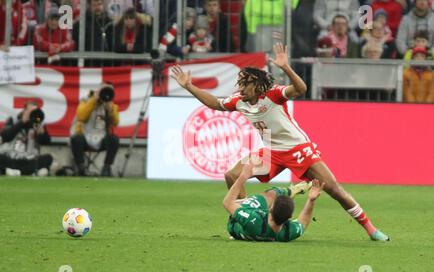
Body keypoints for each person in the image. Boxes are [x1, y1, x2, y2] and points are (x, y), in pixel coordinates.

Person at [171, 42, 390, 241]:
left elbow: (301, 89)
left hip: (298, 149)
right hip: (271, 152)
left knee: (333, 188)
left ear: (256, 85)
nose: (239, 88)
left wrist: (285, 67)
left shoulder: (273, 94)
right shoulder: (239, 101)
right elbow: (216, 104)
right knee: (232, 175)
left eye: (244, 84)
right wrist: (189, 86)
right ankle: (247, 216)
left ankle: (371, 229)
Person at [224, 161, 322, 242]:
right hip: (258, 227)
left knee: (271, 194)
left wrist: (243, 176)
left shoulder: (254, 219)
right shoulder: (287, 233)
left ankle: (290, 191)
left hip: (235, 226)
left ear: (270, 209)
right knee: (270, 196)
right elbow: (303, 222)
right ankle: (293, 190)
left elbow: (228, 203)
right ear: (289, 218)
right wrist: (311, 200)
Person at [70, 83, 120, 177]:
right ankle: (81, 168)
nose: (106, 94)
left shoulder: (112, 106)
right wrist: (94, 100)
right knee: (75, 138)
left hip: (102, 138)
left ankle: (107, 167)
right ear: (98, 90)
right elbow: (81, 117)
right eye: (104, 90)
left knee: (114, 139)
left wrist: (110, 111)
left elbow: (116, 123)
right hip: (85, 137)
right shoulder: (86, 101)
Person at [0, 101, 53, 176]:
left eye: (34, 112)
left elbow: (46, 141)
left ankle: (16, 171)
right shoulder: (13, 120)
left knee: (48, 158)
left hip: (29, 158)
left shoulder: (37, 122)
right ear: (24, 110)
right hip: (13, 157)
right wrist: (22, 121)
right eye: (30, 111)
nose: (32, 114)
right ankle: (33, 171)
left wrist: (41, 133)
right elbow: (5, 137)